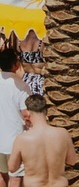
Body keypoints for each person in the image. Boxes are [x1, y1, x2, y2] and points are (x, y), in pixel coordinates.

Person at [8, 96, 76, 187]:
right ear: (46, 111)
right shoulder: (63, 134)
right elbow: (72, 161)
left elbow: (12, 168)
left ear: (28, 112)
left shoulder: (22, 139)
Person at [0, 48, 25, 187]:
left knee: (2, 175)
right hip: (15, 140)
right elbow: (26, 114)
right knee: (15, 177)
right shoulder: (21, 86)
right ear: (15, 65)